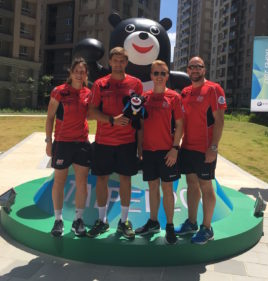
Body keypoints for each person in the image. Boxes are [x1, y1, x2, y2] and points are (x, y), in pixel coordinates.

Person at [87, 47, 143, 240]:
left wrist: (140, 145)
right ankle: (102, 221)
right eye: (115, 60)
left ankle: (124, 221)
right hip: (103, 141)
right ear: (110, 62)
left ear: (126, 63)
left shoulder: (136, 84)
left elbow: (139, 116)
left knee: (125, 180)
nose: (118, 64)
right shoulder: (100, 84)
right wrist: (112, 120)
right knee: (101, 180)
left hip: (127, 142)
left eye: (122, 61)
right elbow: (91, 112)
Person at [174, 56, 227, 244]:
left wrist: (213, 147)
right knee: (191, 184)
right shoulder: (185, 92)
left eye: (199, 66)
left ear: (204, 69)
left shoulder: (213, 89)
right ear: (187, 70)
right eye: (192, 67)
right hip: (187, 147)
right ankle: (192, 222)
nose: (195, 69)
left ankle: (207, 228)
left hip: (205, 149)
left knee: (206, 186)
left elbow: (219, 120)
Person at [135, 60, 184, 245]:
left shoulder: (174, 97)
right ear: (151, 76)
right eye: (156, 73)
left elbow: (180, 125)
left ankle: (169, 226)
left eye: (163, 73)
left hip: (167, 152)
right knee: (152, 188)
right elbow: (140, 125)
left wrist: (175, 148)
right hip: (148, 151)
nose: (159, 77)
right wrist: (140, 148)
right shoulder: (144, 98)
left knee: (167, 189)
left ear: (167, 76)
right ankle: (153, 222)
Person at [45, 57, 92, 237]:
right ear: (71, 73)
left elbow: (93, 113)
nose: (80, 74)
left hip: (81, 143)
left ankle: (78, 220)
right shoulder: (59, 91)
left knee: (82, 183)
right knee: (59, 181)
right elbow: (49, 117)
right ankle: (58, 220)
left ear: (86, 74)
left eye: (83, 71)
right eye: (77, 71)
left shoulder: (89, 93)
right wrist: (48, 141)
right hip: (62, 143)